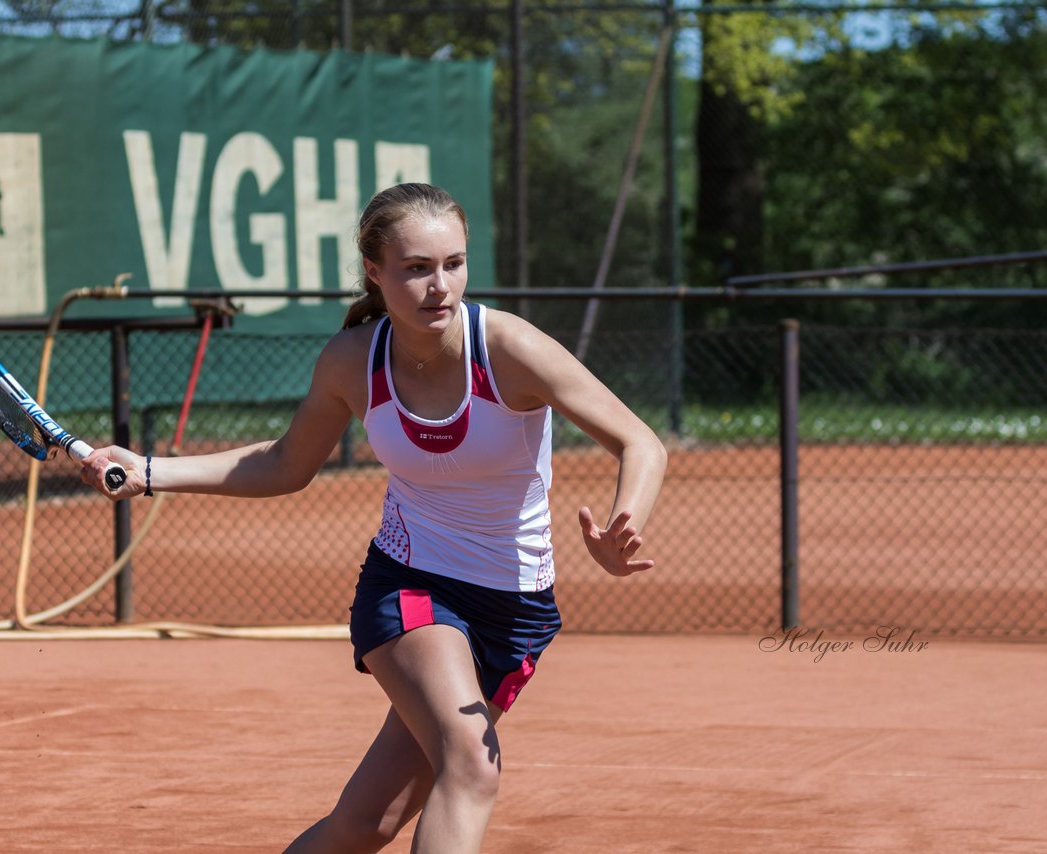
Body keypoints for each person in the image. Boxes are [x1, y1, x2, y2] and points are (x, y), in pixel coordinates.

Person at [81, 182, 668, 853]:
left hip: (519, 608)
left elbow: (639, 441)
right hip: (412, 586)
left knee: (365, 826)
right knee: (472, 765)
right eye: (417, 268)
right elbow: (283, 464)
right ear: (376, 272)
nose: (439, 285)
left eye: (454, 263)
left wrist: (625, 519)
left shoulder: (508, 348)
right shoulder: (352, 363)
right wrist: (151, 472)